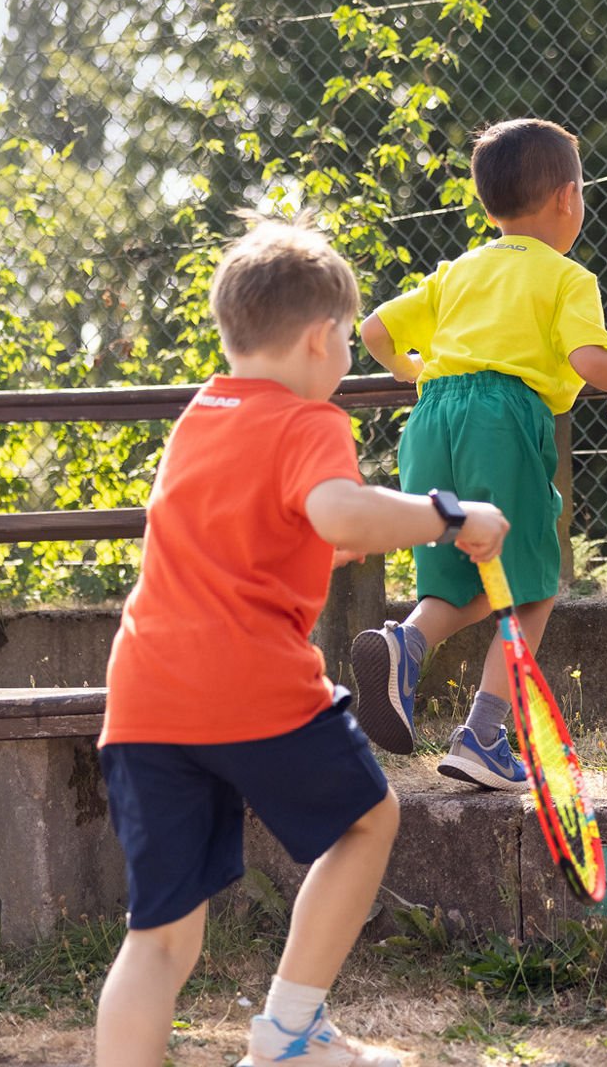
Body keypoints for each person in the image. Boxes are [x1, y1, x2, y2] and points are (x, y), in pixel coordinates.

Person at [94, 216, 509, 1067]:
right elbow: (335, 507)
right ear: (322, 339)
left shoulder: (201, 415)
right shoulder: (307, 420)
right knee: (367, 821)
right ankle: (289, 1034)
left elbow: (299, 524)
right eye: (350, 345)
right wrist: (449, 513)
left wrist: (348, 528)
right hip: (247, 681)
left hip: (144, 696)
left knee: (160, 941)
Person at [352, 118, 607, 790]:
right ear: (568, 199)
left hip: (431, 420)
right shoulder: (567, 278)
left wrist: (409, 369)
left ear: (489, 205)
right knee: (532, 588)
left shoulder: (459, 271)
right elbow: (589, 357)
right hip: (502, 420)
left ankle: (405, 642)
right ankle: (485, 735)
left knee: (461, 580)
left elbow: (374, 327)